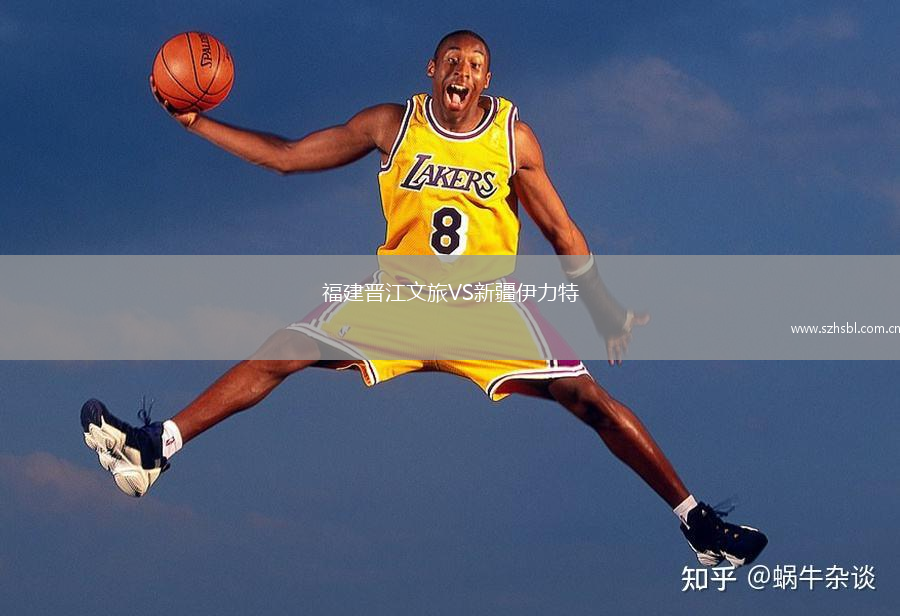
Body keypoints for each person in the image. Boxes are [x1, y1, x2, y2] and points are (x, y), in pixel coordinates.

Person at [81, 30, 766, 568]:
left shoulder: (513, 139)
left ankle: (698, 523)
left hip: (486, 308)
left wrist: (602, 307)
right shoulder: (391, 124)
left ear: (487, 79)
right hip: (400, 302)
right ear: (432, 71)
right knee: (284, 350)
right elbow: (287, 156)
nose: (463, 70)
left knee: (589, 400)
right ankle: (156, 447)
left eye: (475, 63)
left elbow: (562, 230)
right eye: (453, 60)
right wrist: (197, 123)